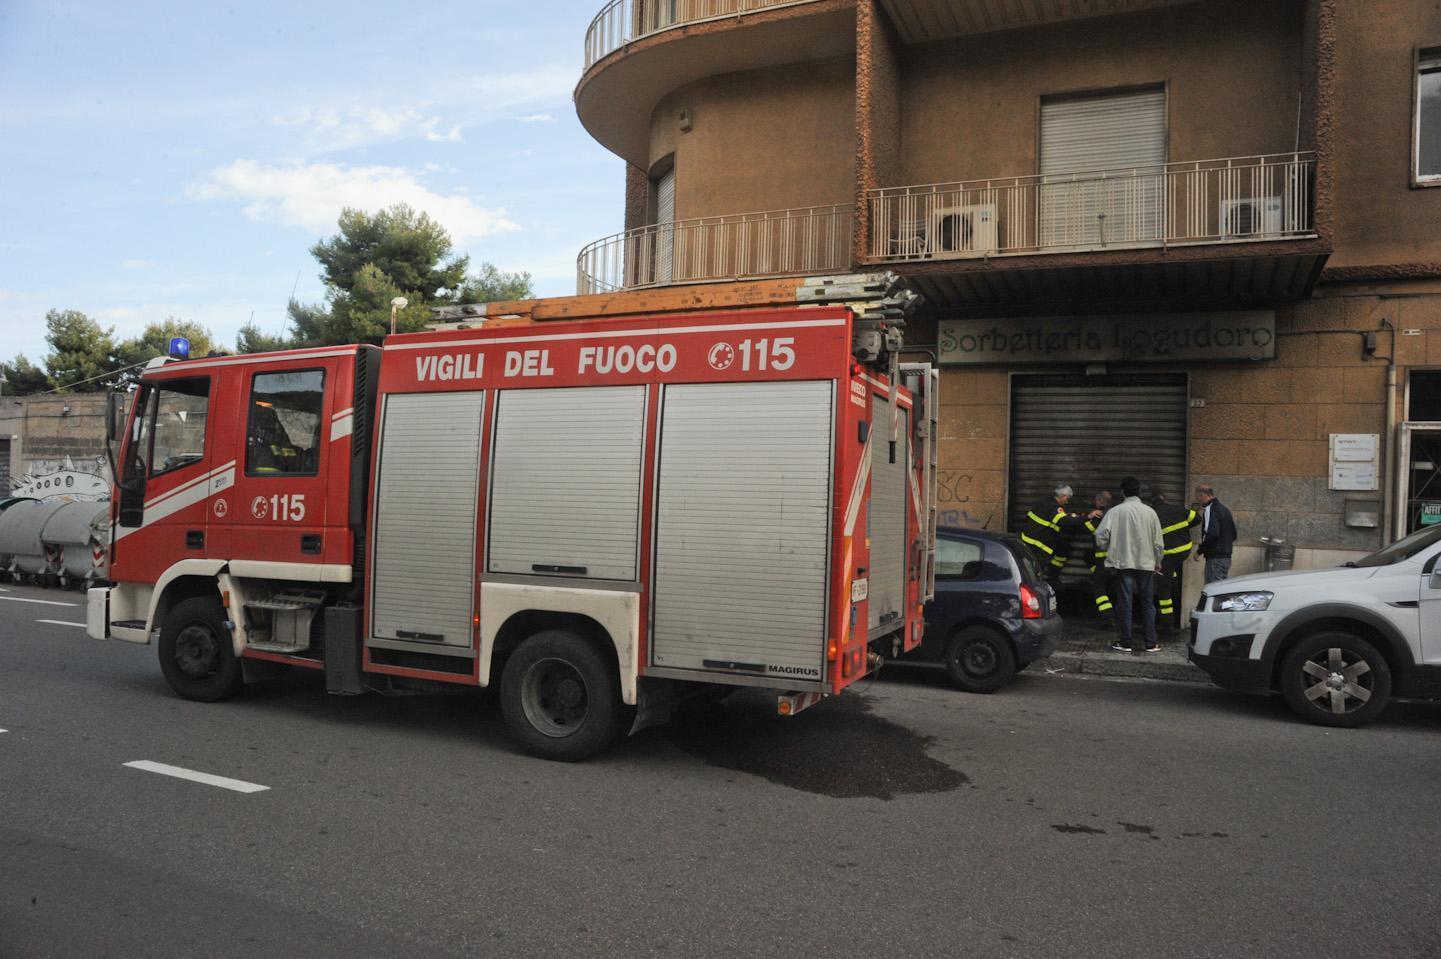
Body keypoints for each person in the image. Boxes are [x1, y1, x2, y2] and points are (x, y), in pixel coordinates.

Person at [1093, 476, 1164, 654]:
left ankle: (1125, 642)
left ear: (1123, 492)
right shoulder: (1150, 512)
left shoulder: (1115, 512)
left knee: (1125, 602)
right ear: (1139, 492)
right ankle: (1151, 642)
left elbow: (1100, 535)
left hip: (1123, 564)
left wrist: (1106, 547)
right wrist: (1158, 561)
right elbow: (1158, 542)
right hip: (1146, 564)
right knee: (1148, 603)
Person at [1021, 484, 1098, 583]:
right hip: (1038, 547)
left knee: (1028, 571)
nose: (1067, 501)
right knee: (1035, 575)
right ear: (1063, 496)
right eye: (1067, 499)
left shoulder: (1044, 502)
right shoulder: (1055, 507)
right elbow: (1063, 521)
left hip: (1027, 542)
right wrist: (1088, 516)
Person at [1149, 491, 1200, 632]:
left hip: (1167, 556)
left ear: (1151, 503)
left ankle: (1167, 624)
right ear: (1164, 499)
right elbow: (1197, 518)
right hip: (1184, 551)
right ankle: (1175, 591)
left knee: (1163, 590)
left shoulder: (1152, 515)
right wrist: (1184, 525)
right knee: (1172, 577)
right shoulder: (1178, 509)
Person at [1194, 483, 1238, 584]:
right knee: (1220, 590)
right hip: (1225, 558)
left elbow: (1212, 534)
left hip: (1215, 559)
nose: (1198, 501)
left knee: (1213, 591)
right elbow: (1234, 534)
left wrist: (1199, 552)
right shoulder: (1224, 509)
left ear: (1203, 495)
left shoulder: (1210, 510)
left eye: (1197, 498)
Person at [1083, 490, 1116, 625]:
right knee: (1087, 556)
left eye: (1096, 500)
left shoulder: (1100, 515)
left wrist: (1086, 517)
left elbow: (1091, 530)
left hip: (1103, 559)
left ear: (1101, 501)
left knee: (1099, 588)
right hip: (1117, 559)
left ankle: (1108, 618)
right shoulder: (1116, 513)